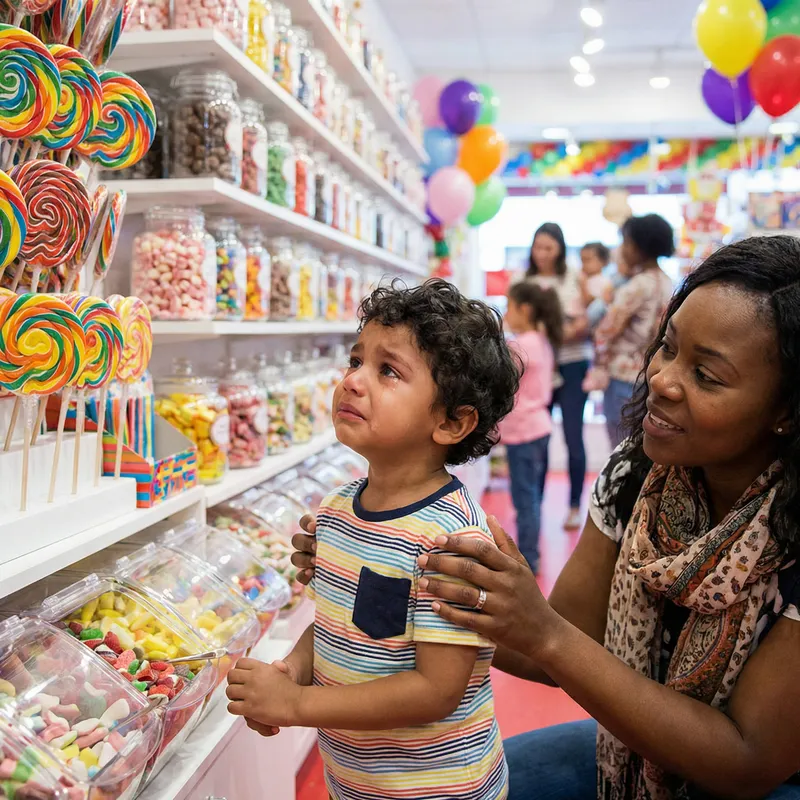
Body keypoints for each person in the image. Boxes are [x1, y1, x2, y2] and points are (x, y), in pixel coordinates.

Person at [292, 236, 800, 800]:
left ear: (785, 409)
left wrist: (543, 632)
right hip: (628, 745)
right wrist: (369, 570)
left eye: (707, 375)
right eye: (668, 347)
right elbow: (553, 644)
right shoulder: (635, 479)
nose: (661, 379)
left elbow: (748, 760)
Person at [227, 279, 520, 800]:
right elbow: (339, 630)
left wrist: (297, 706)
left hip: (440, 789)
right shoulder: (338, 511)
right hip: (358, 784)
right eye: (356, 360)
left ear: (452, 422)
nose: (354, 381)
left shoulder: (450, 538)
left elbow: (437, 690)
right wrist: (290, 674)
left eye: (388, 370)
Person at [584, 214, 675, 447]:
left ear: (637, 247)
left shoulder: (636, 286)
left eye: (625, 242)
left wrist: (599, 366)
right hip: (651, 374)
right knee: (641, 448)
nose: (622, 248)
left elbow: (605, 330)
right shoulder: (667, 282)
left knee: (620, 449)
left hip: (623, 377)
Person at [526, 222, 590, 529]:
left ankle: (575, 505)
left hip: (573, 365)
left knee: (573, 437)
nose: (542, 253)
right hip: (538, 368)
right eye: (538, 246)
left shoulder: (574, 277)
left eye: (549, 247)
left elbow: (586, 321)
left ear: (560, 249)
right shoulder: (524, 279)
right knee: (537, 437)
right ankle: (534, 505)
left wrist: (556, 334)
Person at [499, 281, 563, 573]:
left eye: (509, 306)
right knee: (531, 497)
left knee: (525, 499)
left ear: (524, 309)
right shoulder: (541, 340)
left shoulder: (521, 344)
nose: (506, 313)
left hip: (524, 431)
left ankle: (527, 558)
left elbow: (500, 375)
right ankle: (530, 553)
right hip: (537, 427)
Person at [579, 241, 614, 309]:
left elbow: (590, 303)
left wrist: (583, 285)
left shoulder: (604, 282)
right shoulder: (584, 278)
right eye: (582, 260)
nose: (584, 264)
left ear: (603, 261)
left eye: (587, 260)